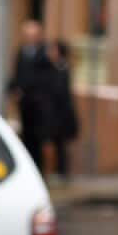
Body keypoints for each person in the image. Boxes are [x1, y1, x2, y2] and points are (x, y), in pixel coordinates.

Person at [9, 19, 55, 171]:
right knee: (27, 136)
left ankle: (39, 168)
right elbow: (17, 74)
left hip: (39, 104)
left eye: (32, 34)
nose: (29, 37)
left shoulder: (45, 53)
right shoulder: (22, 52)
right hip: (25, 103)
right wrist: (14, 89)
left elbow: (45, 78)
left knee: (39, 138)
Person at [44, 39, 79, 181]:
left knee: (60, 144)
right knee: (57, 143)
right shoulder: (55, 68)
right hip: (56, 114)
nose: (50, 53)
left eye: (53, 50)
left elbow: (60, 93)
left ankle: (61, 172)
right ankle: (59, 171)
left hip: (60, 115)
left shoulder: (62, 69)